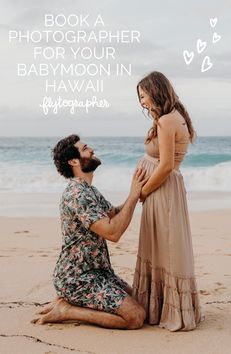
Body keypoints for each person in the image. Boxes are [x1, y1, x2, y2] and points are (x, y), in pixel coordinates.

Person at [33, 134, 147, 329]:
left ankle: (67, 301)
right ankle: (67, 310)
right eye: (85, 148)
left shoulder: (89, 190)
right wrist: (134, 195)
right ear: (74, 161)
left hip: (99, 273)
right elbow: (113, 232)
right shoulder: (78, 194)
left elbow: (114, 213)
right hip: (78, 278)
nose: (92, 149)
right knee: (135, 317)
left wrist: (138, 193)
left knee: (142, 302)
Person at [132, 71, 203, 331]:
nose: (142, 102)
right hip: (165, 190)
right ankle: (162, 307)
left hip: (160, 190)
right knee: (164, 246)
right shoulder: (176, 116)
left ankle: (163, 309)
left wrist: (143, 191)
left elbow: (165, 166)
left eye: (143, 95)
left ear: (155, 91)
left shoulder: (165, 121)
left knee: (164, 246)